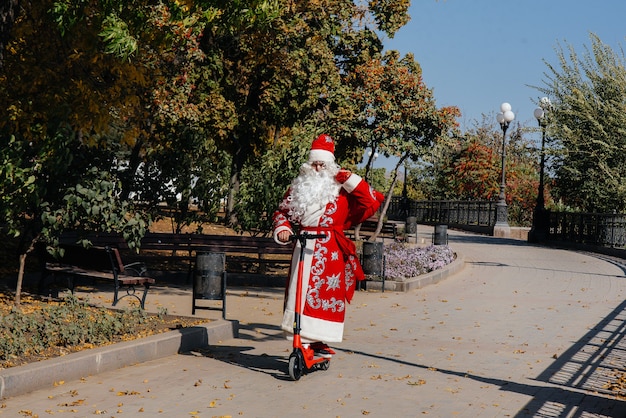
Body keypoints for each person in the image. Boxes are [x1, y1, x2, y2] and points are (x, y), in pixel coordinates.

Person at [273, 133, 384, 358]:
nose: (317, 168)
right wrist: (283, 228)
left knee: (324, 294)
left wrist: (351, 179)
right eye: (314, 163)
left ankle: (318, 339)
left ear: (330, 165)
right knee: (299, 293)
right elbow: (281, 212)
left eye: (322, 164)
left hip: (330, 248)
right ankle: (301, 340)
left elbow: (372, 201)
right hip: (303, 246)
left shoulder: (343, 190)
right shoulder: (297, 188)